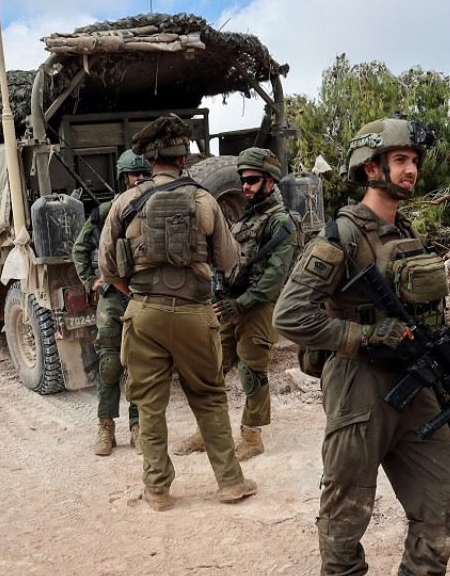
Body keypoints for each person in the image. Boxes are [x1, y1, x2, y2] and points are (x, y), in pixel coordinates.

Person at [274, 115, 450, 576]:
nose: (411, 169)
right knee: (347, 507)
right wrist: (362, 336)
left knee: (442, 504)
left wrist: (447, 396)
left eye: (415, 160)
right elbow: (290, 315)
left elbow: (427, 324)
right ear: (372, 168)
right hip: (359, 386)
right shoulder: (338, 238)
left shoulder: (406, 234)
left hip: (415, 391)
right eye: (400, 160)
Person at [97, 114, 257, 511]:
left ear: (149, 160)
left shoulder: (126, 202)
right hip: (194, 314)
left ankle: (157, 490)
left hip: (143, 313)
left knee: (149, 403)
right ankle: (231, 483)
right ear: (184, 158)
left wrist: (135, 294)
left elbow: (106, 267)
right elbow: (227, 259)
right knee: (209, 397)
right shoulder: (203, 199)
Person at [173, 147, 299, 462]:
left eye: (253, 180)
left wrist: (240, 304)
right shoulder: (248, 217)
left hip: (256, 306)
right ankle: (207, 431)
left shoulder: (281, 222)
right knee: (213, 367)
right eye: (243, 180)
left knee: (251, 371)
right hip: (231, 302)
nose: (245, 186)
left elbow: (274, 278)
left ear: (270, 181)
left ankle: (252, 437)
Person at [72, 150, 153, 456]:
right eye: (135, 175)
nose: (141, 180)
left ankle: (138, 427)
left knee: (139, 364)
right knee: (109, 364)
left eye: (145, 174)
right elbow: (80, 249)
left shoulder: (155, 210)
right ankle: (106, 426)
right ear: (124, 178)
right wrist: (88, 282)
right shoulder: (105, 212)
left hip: (142, 295)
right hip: (112, 296)